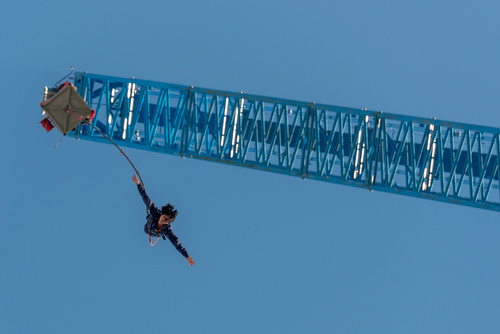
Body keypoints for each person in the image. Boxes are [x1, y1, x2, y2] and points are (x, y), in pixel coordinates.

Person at [132, 175, 195, 266]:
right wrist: (138, 184)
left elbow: (176, 243)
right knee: (146, 225)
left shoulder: (167, 230)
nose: (163, 219)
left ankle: (154, 231)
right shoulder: (155, 212)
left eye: (166, 220)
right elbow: (146, 198)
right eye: (164, 216)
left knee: (155, 231)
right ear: (162, 214)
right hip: (148, 228)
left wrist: (187, 256)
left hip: (154, 232)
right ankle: (151, 227)